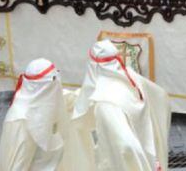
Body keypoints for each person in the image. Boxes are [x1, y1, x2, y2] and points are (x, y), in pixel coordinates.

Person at [72, 40, 171, 171]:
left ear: (93, 66)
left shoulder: (105, 103)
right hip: (145, 150)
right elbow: (160, 95)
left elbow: (126, 146)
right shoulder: (131, 77)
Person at [0, 58, 90, 171]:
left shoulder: (51, 96)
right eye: (54, 79)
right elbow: (15, 165)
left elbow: (73, 100)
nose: (57, 83)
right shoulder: (19, 120)